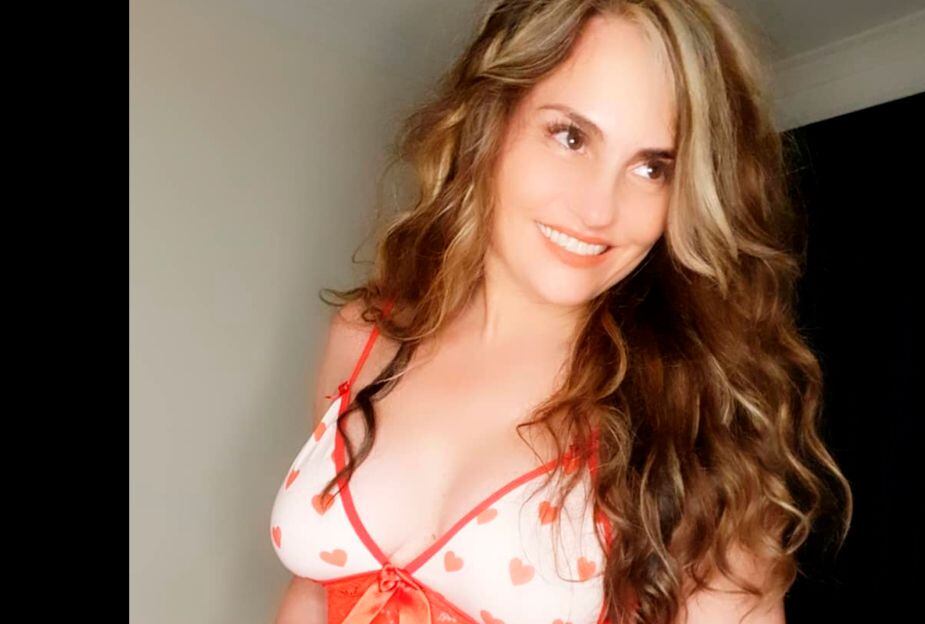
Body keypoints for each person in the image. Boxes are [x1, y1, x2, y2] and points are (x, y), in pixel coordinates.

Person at [270, 1, 852, 623]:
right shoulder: (366, 338)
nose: (599, 209)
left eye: (651, 167)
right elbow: (313, 588)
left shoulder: (700, 434)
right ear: (491, 121)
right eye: (571, 137)